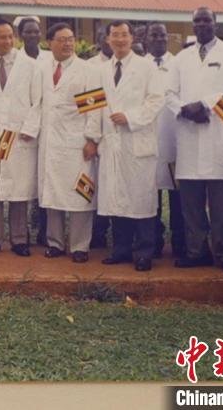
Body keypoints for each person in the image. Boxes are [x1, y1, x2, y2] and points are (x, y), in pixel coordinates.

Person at [166, 7, 223, 275]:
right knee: (191, 203)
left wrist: (205, 105)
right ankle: (197, 252)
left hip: (218, 133)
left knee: (221, 204)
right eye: (197, 21)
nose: (201, 25)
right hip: (189, 134)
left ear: (215, 23)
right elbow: (169, 93)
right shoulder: (182, 58)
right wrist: (185, 110)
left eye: (206, 20)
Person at [97, 20, 164, 272]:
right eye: (115, 35)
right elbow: (95, 105)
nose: (120, 39)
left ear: (132, 37)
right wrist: (94, 136)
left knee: (141, 199)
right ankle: (121, 249)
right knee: (117, 197)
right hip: (112, 142)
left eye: (124, 35)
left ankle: (145, 252)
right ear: (108, 39)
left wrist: (131, 117)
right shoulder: (102, 70)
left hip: (137, 140)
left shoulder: (147, 67)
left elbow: (156, 100)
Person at [37, 23, 101, 263]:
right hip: (50, 141)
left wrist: (92, 139)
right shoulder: (43, 68)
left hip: (77, 142)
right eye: (62, 39)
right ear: (50, 43)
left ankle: (79, 246)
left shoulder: (86, 70)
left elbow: (94, 110)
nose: (67, 44)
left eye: (71, 39)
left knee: (80, 193)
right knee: (52, 193)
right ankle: (55, 243)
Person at [0, 18, 42, 257]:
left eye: (10, 36)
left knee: (19, 190)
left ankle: (19, 239)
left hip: (20, 135)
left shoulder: (30, 66)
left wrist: (29, 128)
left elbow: (38, 101)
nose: (7, 41)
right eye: (2, 37)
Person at [145, 22, 186, 259]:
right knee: (152, 197)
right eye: (154, 35)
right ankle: (153, 242)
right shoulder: (140, 65)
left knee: (178, 197)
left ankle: (180, 243)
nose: (159, 39)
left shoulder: (178, 64)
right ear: (146, 38)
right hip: (149, 139)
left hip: (175, 138)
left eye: (162, 35)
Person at [16, 16, 52, 247]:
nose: (32, 35)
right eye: (28, 32)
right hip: (24, 132)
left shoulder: (50, 58)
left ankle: (45, 231)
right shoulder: (15, 60)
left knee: (46, 182)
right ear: (20, 35)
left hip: (48, 129)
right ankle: (23, 232)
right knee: (24, 184)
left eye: (36, 31)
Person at [86, 28, 113, 249]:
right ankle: (98, 232)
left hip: (121, 134)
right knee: (97, 187)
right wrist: (92, 137)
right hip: (97, 135)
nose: (110, 40)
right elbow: (88, 106)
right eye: (105, 37)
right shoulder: (90, 67)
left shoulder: (134, 66)